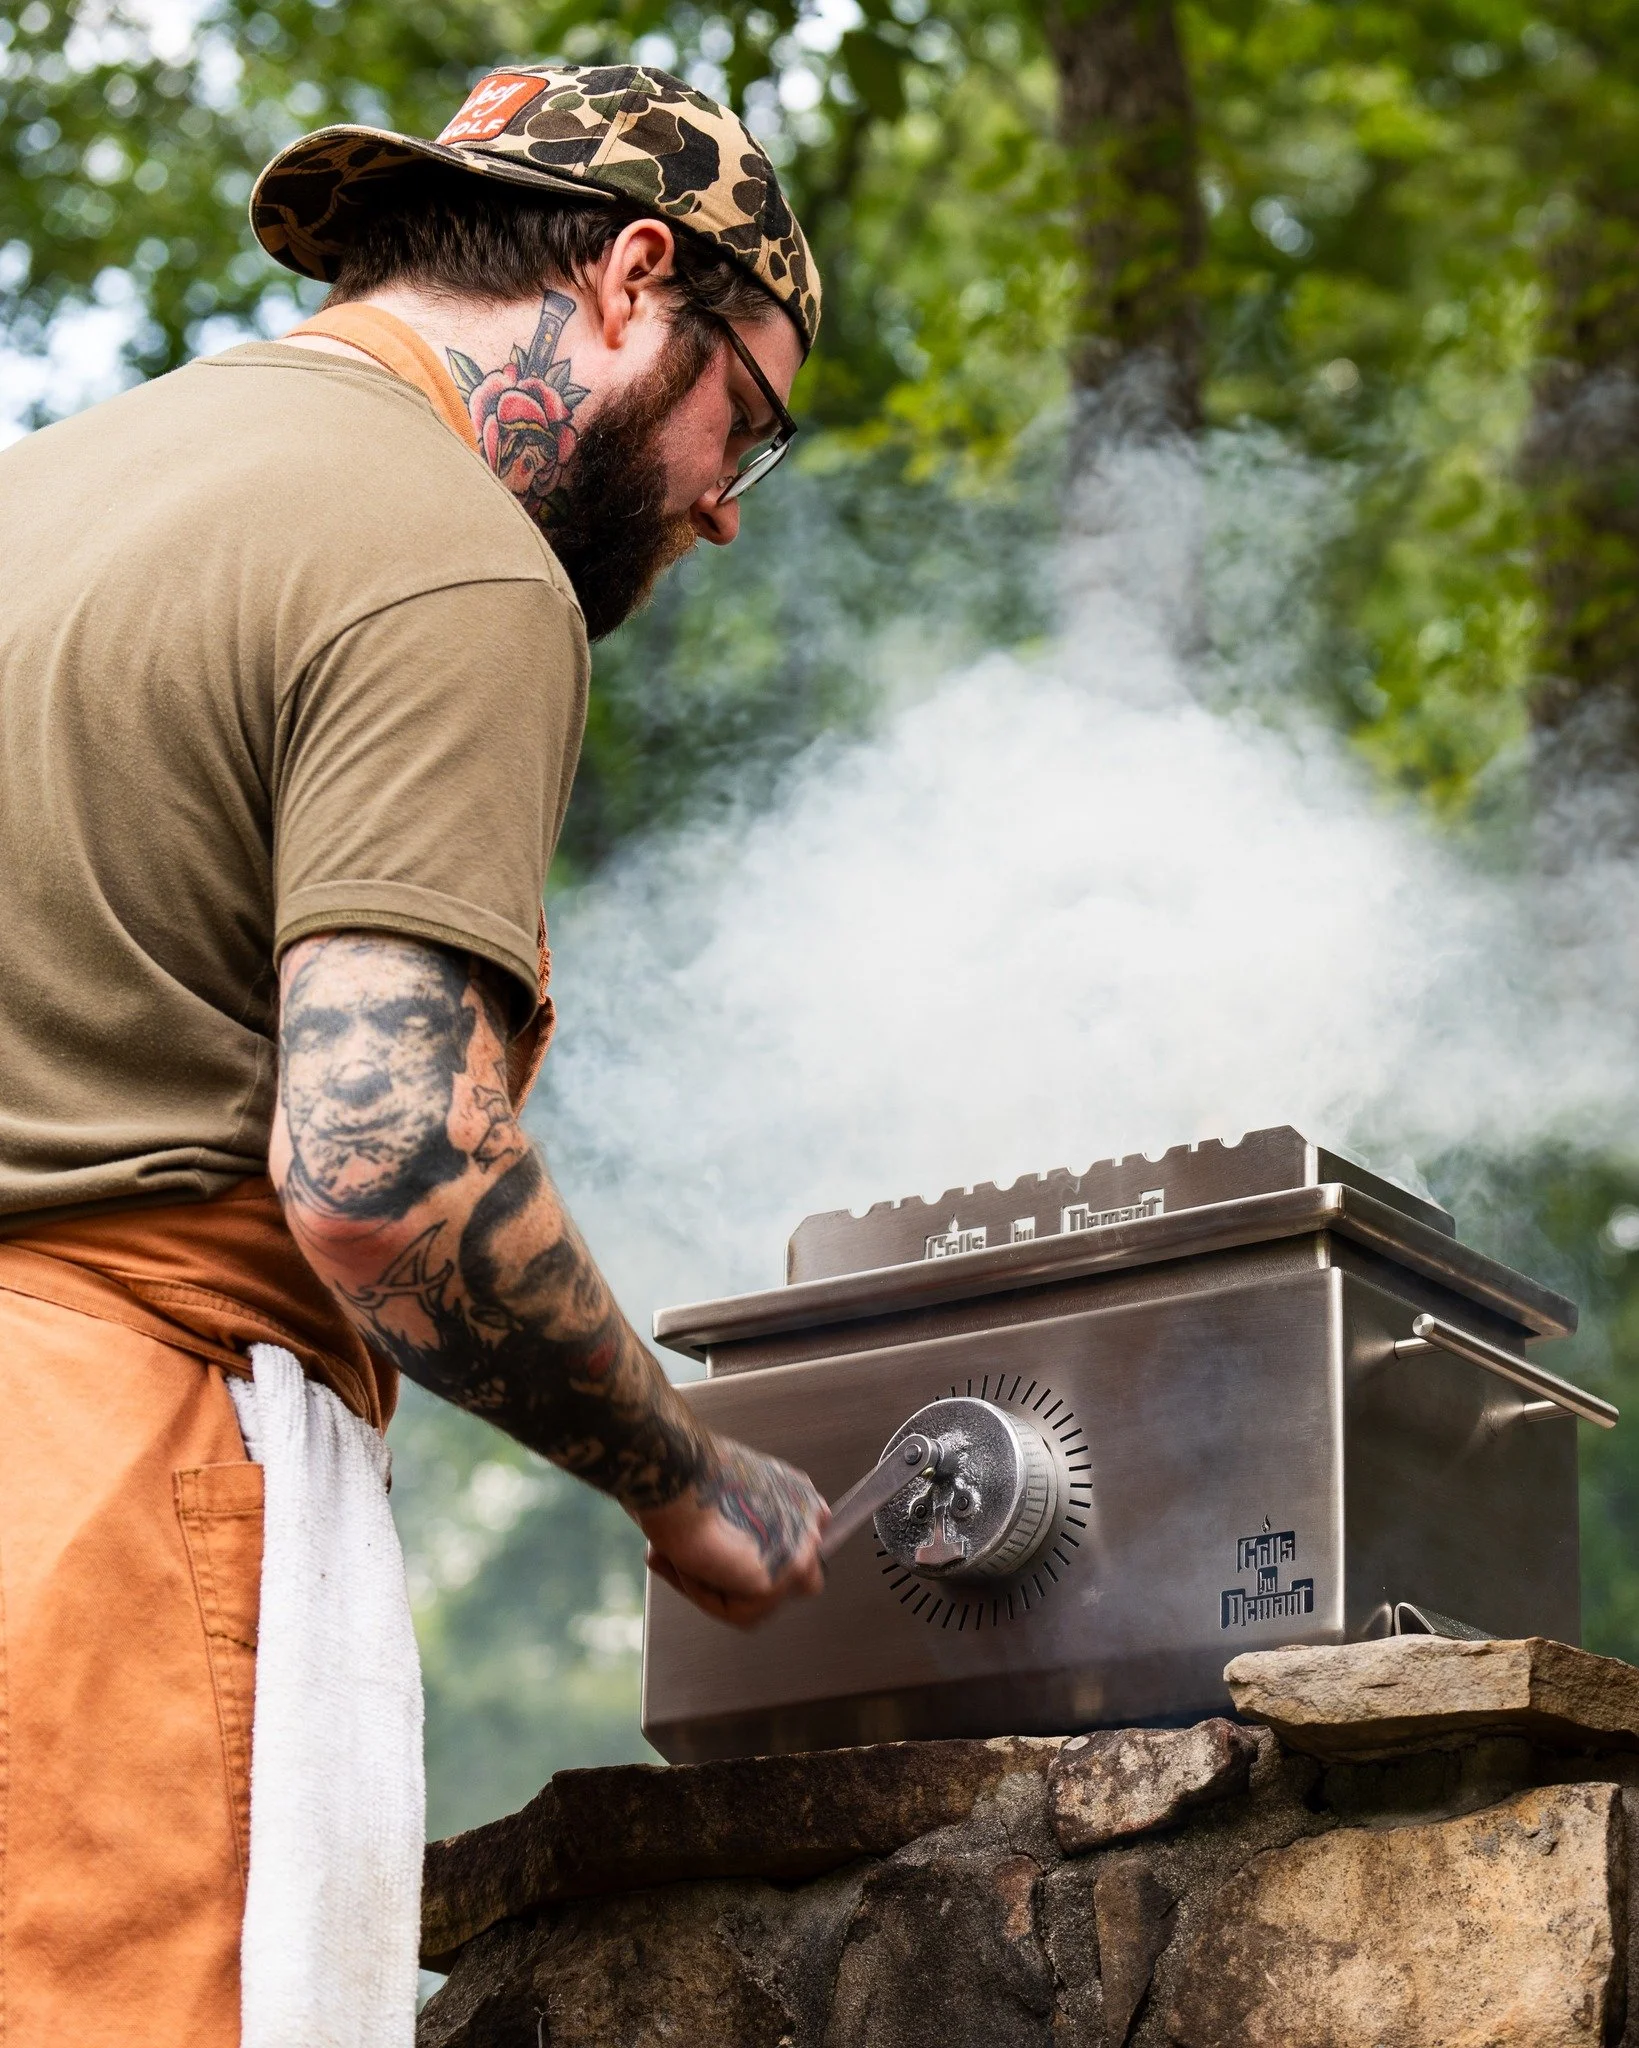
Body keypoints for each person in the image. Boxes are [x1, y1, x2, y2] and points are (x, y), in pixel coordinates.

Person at [0, 62, 827, 2045]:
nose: (721, 503)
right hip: (93, 1517)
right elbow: (385, 1165)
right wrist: (686, 1475)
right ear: (638, 279)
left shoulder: (51, 485)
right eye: (754, 420)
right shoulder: (451, 555)